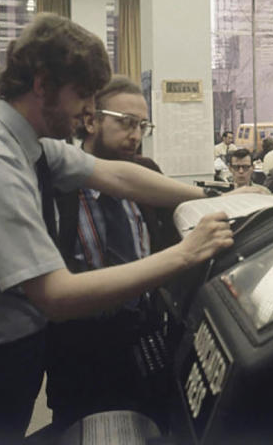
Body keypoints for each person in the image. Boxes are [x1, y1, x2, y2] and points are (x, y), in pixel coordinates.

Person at [0, 15, 234, 445]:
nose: (89, 111)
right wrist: (185, 254)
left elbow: (119, 176)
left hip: (4, 369)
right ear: (42, 85)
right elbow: (56, 296)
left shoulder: (30, 146)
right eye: (82, 95)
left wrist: (214, 198)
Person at [43, 74, 175, 433]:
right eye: (126, 123)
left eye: (142, 126)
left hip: (143, 337)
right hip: (81, 349)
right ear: (91, 121)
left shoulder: (147, 175)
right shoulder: (57, 186)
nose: (135, 135)